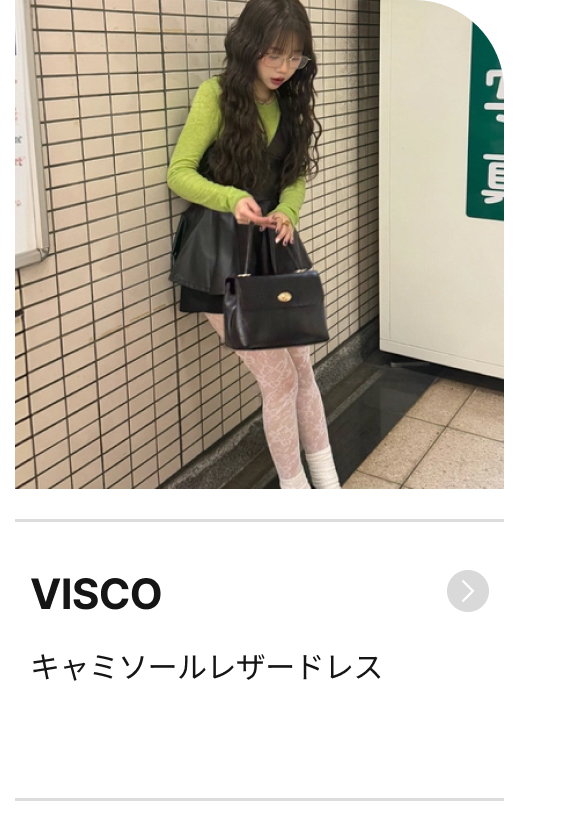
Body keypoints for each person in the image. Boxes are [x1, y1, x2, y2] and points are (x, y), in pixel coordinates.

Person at [167, 0, 340, 490]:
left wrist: (288, 210)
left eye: (296, 56)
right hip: (218, 254)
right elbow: (178, 173)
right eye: (274, 54)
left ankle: (328, 485)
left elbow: (294, 176)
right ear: (249, 46)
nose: (285, 67)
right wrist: (230, 197)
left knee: (302, 368)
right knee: (279, 378)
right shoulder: (216, 95)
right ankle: (295, 491)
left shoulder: (289, 101)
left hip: (272, 249)